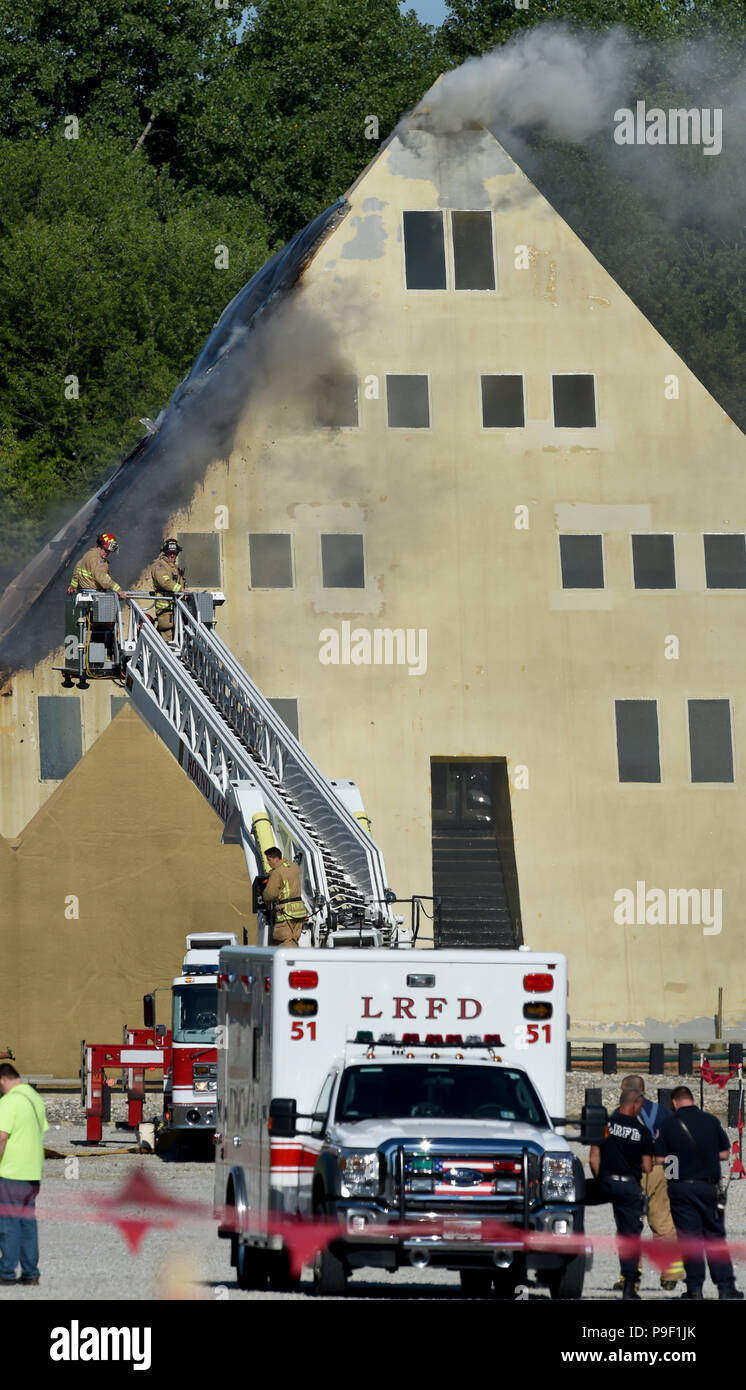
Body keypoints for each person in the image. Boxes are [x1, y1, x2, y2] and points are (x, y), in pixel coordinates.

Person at [654, 1085, 743, 1301]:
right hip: (708, 1187)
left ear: (675, 1102)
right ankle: (725, 1287)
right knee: (715, 1237)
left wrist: (677, 1161)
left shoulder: (667, 1124)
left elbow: (658, 1159)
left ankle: (694, 1289)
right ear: (692, 1100)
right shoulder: (711, 1121)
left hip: (681, 1187)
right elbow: (723, 1154)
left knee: (689, 1239)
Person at [610, 1074, 685, 1293]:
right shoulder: (662, 1112)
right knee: (662, 1221)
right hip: (659, 1170)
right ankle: (671, 1272)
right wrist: (673, 1175)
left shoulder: (619, 1113)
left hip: (632, 1172)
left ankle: (630, 1278)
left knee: (629, 1224)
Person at [589, 1087, 653, 1300]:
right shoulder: (643, 1132)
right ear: (635, 1103)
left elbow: (593, 1158)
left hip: (605, 1182)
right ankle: (629, 1287)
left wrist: (601, 1179)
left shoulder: (605, 1125)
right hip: (628, 1187)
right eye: (640, 1106)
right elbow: (647, 1167)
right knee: (630, 1235)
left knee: (571, 1204)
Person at [0, 1063, 48, 1286]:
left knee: (8, 1224)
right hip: (31, 1172)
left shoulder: (9, 1101)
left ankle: (6, 1272)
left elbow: (1, 1136)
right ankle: (31, 1273)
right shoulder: (34, 1098)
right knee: (27, 1223)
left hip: (10, 1171)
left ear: (2, 1079)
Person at [262, 847, 308, 946]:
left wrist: (265, 898)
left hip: (286, 913)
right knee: (294, 939)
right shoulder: (294, 867)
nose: (268, 863)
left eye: (269, 860)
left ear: (276, 859)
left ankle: (288, 961)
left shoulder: (277, 872)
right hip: (299, 911)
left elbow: (271, 893)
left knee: (285, 940)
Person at [151, 539, 187, 643]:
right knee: (168, 640)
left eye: (175, 553)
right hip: (165, 609)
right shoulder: (160, 566)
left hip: (175, 608)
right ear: (164, 552)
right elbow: (165, 582)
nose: (172, 555)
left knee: (176, 638)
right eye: (170, 553)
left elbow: (181, 583)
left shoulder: (174, 567)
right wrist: (181, 590)